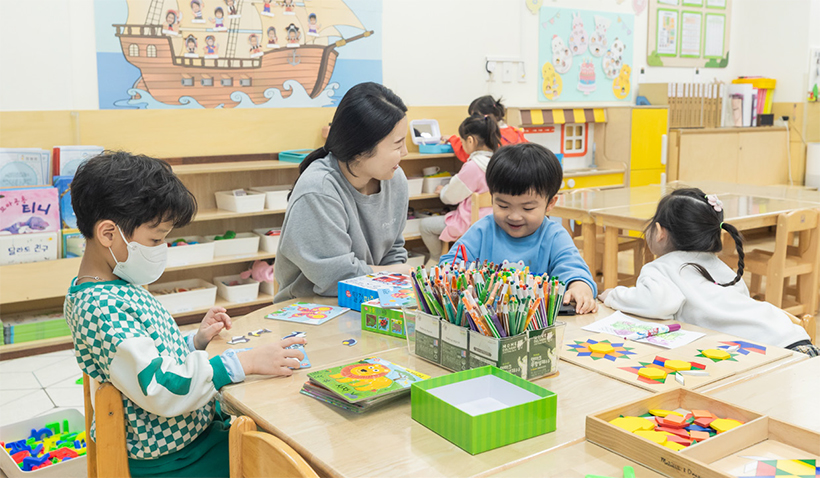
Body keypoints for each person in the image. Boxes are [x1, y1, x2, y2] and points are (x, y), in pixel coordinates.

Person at [64, 152, 307, 477]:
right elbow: (158, 386)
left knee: (280, 440)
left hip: (193, 441)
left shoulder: (116, 283)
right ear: (108, 234)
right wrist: (242, 362)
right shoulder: (99, 306)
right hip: (174, 461)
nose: (162, 247)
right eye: (156, 238)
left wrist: (194, 341)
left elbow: (144, 355)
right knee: (286, 461)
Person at [600, 188, 817, 356]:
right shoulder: (719, 266)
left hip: (767, 353)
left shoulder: (660, 267)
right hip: (796, 340)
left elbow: (660, 303)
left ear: (659, 232)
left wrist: (612, 295)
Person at [275, 83, 411, 302]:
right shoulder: (318, 189)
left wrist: (395, 278)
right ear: (360, 149)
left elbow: (394, 251)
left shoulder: (396, 179)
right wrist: (394, 274)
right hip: (311, 310)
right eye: (397, 145)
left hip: (371, 302)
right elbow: (336, 278)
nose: (404, 152)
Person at [440, 143, 598, 314]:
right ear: (492, 198)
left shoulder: (554, 236)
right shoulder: (483, 230)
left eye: (527, 208)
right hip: (486, 324)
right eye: (503, 205)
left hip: (537, 329)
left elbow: (573, 269)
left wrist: (580, 287)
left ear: (550, 203)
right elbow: (450, 263)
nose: (514, 216)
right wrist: (454, 275)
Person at [420, 114, 500, 264]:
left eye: (462, 141)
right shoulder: (500, 161)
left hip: (471, 222)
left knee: (425, 225)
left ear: (470, 140)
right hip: (495, 221)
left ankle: (436, 259)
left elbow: (450, 197)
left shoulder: (473, 166)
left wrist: (442, 190)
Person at [448, 96, 527, 162]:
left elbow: (469, 151)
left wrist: (452, 139)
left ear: (486, 116)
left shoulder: (490, 135)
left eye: (475, 116)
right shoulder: (516, 132)